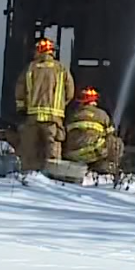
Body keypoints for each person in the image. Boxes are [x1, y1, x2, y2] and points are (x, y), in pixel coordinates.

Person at [14, 37, 75, 172]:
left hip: (33, 117)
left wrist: (22, 108)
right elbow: (70, 92)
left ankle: (29, 176)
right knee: (52, 148)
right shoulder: (61, 69)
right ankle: (52, 176)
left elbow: (20, 90)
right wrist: (60, 105)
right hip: (54, 119)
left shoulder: (30, 69)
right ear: (51, 52)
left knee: (30, 149)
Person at [63, 86, 120, 177]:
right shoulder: (102, 115)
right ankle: (108, 168)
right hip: (93, 154)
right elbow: (111, 134)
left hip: (72, 155)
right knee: (116, 142)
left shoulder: (72, 115)